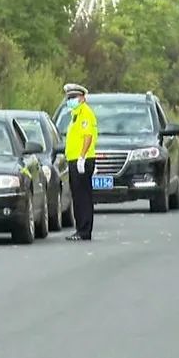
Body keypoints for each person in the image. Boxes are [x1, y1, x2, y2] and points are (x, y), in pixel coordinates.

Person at [63, 83, 97, 241]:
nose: (71, 100)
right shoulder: (75, 114)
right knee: (78, 195)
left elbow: (88, 136)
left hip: (81, 160)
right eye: (69, 98)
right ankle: (81, 229)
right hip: (75, 159)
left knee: (82, 196)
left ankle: (84, 230)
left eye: (74, 97)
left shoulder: (85, 113)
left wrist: (82, 157)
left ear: (82, 98)